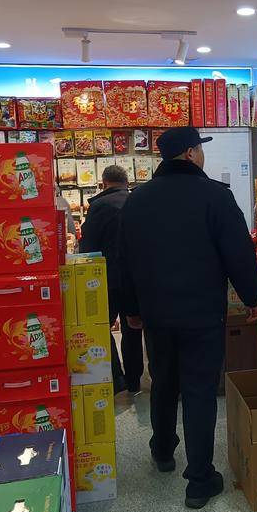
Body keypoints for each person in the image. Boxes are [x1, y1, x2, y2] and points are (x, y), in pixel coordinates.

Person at [117, 126, 257, 509]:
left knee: (164, 382)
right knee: (199, 391)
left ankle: (163, 450)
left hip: (157, 315)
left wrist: (131, 310)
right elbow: (238, 253)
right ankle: (199, 480)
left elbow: (125, 261)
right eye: (200, 148)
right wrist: (252, 296)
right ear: (190, 154)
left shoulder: (137, 200)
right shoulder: (216, 196)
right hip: (203, 315)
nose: (202, 154)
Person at [79, 165, 144, 395]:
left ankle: (116, 378)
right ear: (127, 182)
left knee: (101, 327)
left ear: (104, 183)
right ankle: (134, 381)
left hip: (105, 279)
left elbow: (87, 247)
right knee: (133, 328)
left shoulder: (98, 206)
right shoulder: (138, 202)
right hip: (135, 278)